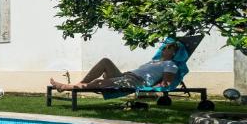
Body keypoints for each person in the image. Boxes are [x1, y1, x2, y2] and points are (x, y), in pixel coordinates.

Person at [50, 42, 181, 91]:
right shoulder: (153, 61)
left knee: (99, 83)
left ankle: (66, 87)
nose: (164, 49)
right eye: (164, 47)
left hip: (135, 81)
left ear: (173, 53)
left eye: (168, 48)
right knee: (105, 61)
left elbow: (166, 82)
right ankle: (81, 83)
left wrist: (150, 89)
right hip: (126, 76)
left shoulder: (171, 64)